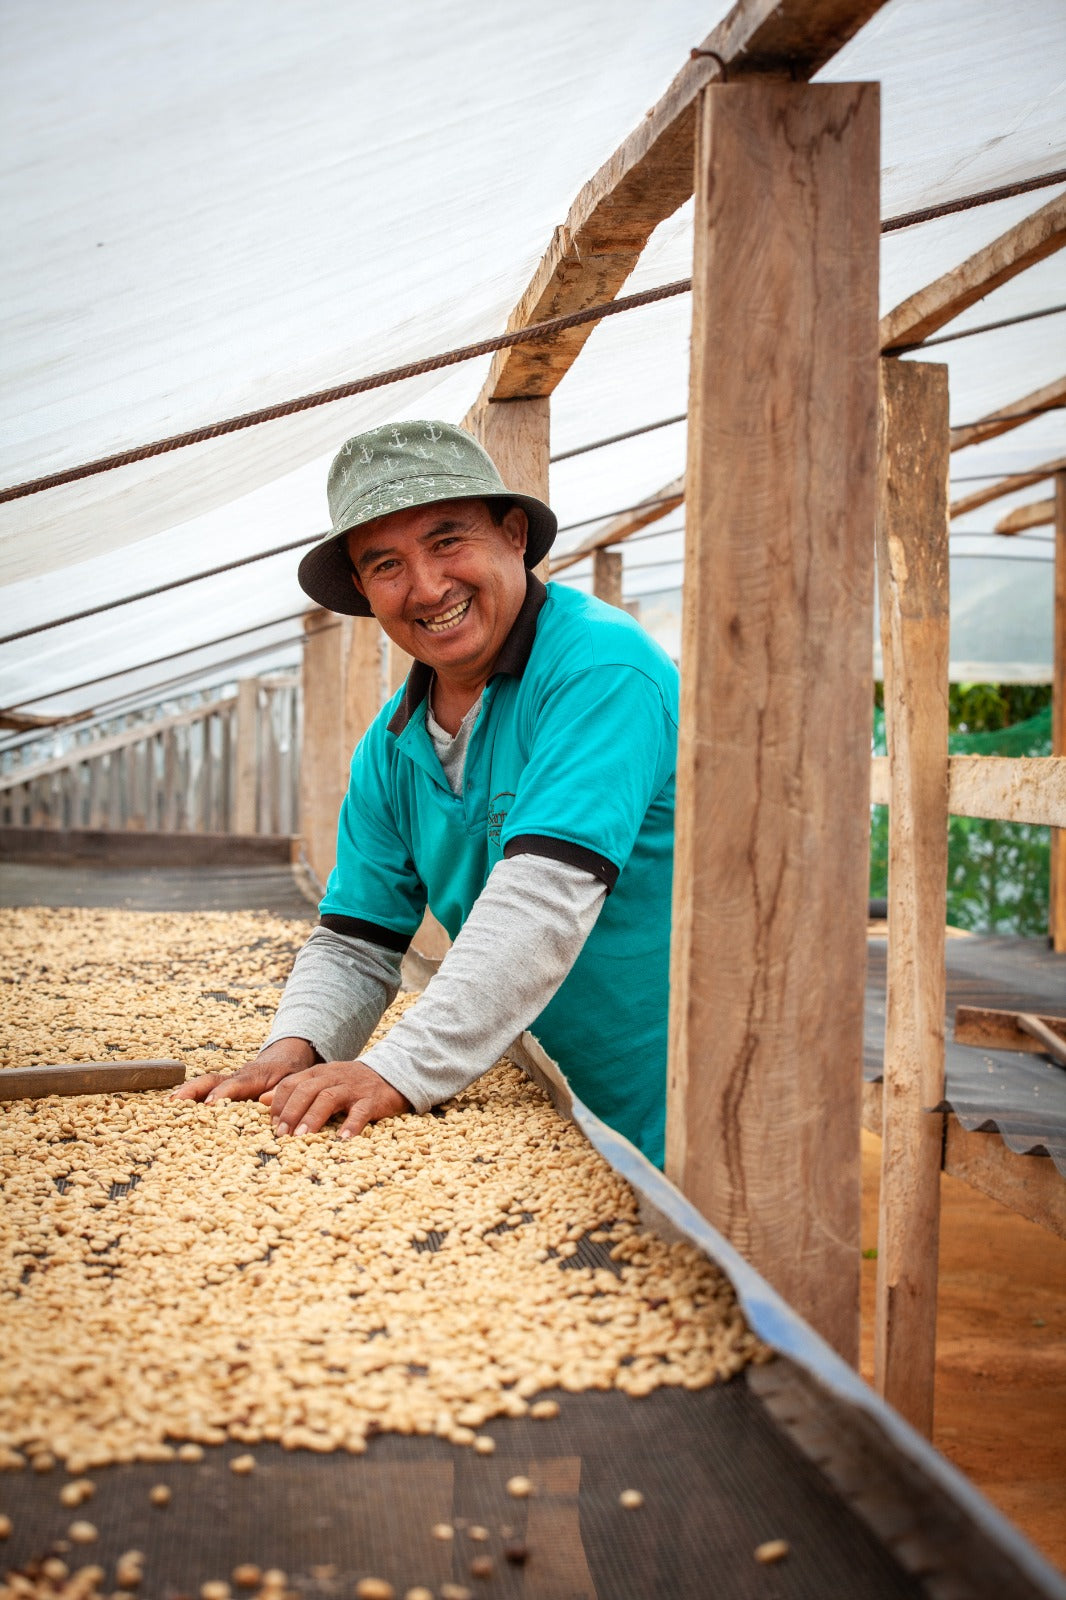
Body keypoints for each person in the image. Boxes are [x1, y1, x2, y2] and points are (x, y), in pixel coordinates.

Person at [175, 420, 678, 1165]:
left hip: (670, 1098)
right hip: (542, 1109)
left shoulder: (599, 668)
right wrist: (293, 1049)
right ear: (362, 590)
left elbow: (545, 895)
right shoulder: (391, 747)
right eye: (386, 565)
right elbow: (357, 939)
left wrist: (399, 1069)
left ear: (514, 536)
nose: (429, 587)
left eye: (448, 541)